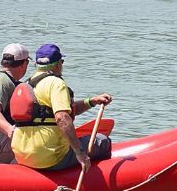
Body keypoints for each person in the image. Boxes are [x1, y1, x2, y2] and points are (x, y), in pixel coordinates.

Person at [10, 44, 113, 172]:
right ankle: (96, 185)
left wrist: (91, 101)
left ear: (36, 65)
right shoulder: (56, 83)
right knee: (103, 141)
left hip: (22, 155)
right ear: (58, 64)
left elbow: (55, 111)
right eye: (62, 62)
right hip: (50, 156)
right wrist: (79, 152)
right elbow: (62, 118)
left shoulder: (27, 84)